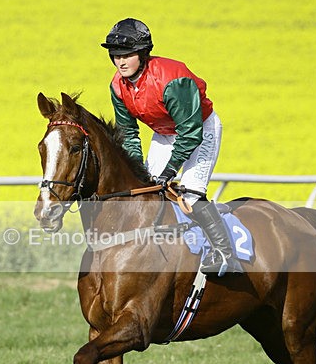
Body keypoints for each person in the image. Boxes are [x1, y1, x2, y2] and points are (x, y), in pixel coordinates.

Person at [101, 17, 243, 276]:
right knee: (146, 191)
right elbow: (128, 134)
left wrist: (170, 171)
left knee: (190, 195)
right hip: (165, 133)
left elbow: (190, 133)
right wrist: (136, 171)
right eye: (115, 55)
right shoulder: (117, 86)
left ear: (143, 53)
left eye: (127, 55)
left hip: (199, 130)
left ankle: (225, 253)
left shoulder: (172, 79)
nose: (120, 61)